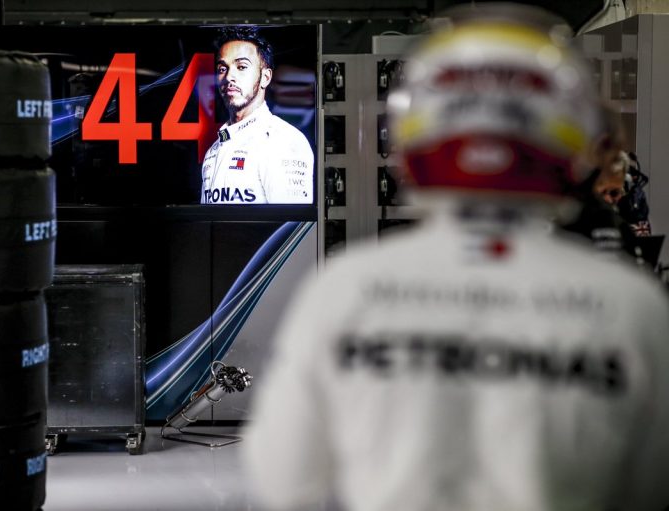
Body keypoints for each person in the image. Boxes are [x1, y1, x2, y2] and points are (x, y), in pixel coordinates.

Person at [243, 5, 669, 511]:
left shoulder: (344, 289)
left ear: (410, 135)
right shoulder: (631, 306)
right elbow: (648, 489)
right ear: (572, 135)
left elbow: (283, 479)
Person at [200, 26, 313, 204]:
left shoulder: (284, 141)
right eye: (222, 69)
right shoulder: (213, 151)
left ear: (265, 77)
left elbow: (292, 221)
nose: (229, 77)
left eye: (241, 67)